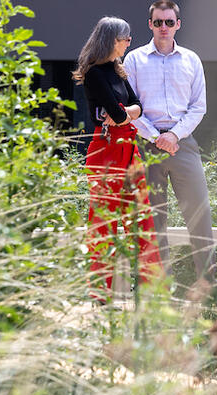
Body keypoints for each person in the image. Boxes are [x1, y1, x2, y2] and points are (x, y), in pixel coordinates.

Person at [125, 1, 217, 294]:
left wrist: (173, 136)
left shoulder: (191, 60)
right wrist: (156, 137)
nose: (163, 28)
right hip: (146, 145)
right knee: (153, 219)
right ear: (150, 24)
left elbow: (199, 107)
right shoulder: (133, 61)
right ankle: (161, 288)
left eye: (169, 22)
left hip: (183, 144)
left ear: (178, 25)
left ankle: (208, 285)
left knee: (199, 214)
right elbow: (132, 108)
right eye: (158, 22)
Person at [72, 16, 161, 302]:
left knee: (141, 220)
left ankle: (151, 289)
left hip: (128, 147)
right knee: (104, 223)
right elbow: (122, 113)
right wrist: (127, 113)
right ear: (112, 40)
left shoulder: (117, 71)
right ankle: (99, 293)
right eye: (125, 38)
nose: (128, 43)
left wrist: (126, 113)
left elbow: (136, 108)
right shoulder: (96, 73)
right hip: (106, 150)